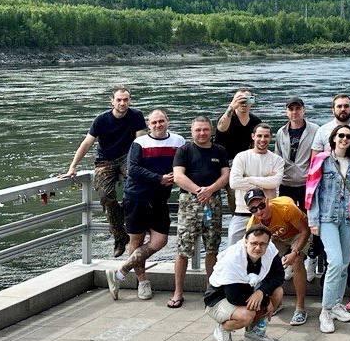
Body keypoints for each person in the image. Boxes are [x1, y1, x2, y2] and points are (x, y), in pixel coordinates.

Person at [107, 109, 185, 300]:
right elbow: (132, 169)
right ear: (149, 125)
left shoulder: (179, 141)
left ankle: (122, 269)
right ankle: (143, 282)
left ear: (168, 121)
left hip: (160, 200)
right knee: (136, 241)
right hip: (136, 198)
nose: (158, 125)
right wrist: (159, 178)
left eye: (161, 121)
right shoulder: (139, 143)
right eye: (154, 122)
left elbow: (184, 164)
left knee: (160, 241)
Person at [306, 124, 350, 333]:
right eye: (341, 136)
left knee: (344, 264)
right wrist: (313, 220)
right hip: (327, 219)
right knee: (334, 262)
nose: (344, 139)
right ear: (334, 138)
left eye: (348, 137)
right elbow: (312, 191)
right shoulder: (322, 161)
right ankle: (325, 310)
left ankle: (336, 304)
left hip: (348, 219)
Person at [63, 87, 145, 256]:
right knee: (106, 196)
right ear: (112, 101)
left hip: (127, 157)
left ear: (130, 100)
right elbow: (86, 143)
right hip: (105, 160)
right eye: (119, 100)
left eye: (126, 100)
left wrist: (140, 164)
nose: (122, 103)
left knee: (137, 185)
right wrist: (72, 167)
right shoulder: (101, 120)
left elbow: (141, 141)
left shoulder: (136, 115)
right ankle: (119, 235)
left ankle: (134, 225)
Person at [169, 116, 230, 308]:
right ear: (192, 131)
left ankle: (211, 290)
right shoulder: (184, 150)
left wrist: (210, 190)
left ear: (211, 130)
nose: (202, 133)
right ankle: (178, 292)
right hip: (190, 201)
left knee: (212, 247)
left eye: (205, 129)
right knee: (183, 249)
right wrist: (198, 190)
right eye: (198, 130)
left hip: (213, 201)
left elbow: (225, 175)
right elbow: (178, 176)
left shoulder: (219, 150)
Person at [204, 225, 284, 341]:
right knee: (247, 315)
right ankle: (223, 329)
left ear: (268, 244)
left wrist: (262, 292)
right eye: (254, 243)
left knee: (278, 291)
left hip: (248, 292)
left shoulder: (271, 251)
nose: (258, 248)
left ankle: (253, 333)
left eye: (263, 244)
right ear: (246, 242)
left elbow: (279, 276)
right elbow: (234, 298)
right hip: (219, 299)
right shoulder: (233, 259)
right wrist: (265, 301)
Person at [245, 188, 311, 325]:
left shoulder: (286, 208)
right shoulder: (253, 223)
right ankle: (275, 301)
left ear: (267, 200)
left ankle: (300, 308)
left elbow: (305, 230)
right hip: (276, 238)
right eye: (253, 209)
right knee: (264, 260)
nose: (259, 211)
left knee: (297, 261)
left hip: (297, 233)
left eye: (262, 206)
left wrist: (295, 252)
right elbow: (250, 247)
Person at [228, 125, 285, 244]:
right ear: (253, 137)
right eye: (259, 136)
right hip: (242, 211)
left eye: (266, 136)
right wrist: (266, 182)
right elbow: (234, 183)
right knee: (232, 249)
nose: (262, 139)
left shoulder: (277, 160)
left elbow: (276, 182)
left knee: (267, 252)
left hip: (267, 213)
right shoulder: (241, 157)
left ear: (270, 138)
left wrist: (248, 178)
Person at [214, 89, 261, 209]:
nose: (243, 102)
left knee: (240, 194)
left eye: (247, 99)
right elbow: (221, 128)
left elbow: (255, 144)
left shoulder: (255, 121)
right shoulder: (227, 117)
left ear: (252, 101)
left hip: (243, 162)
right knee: (226, 193)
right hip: (222, 162)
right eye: (239, 99)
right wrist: (231, 107)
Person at [275, 96, 317, 209]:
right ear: (286, 112)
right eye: (291, 109)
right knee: (285, 217)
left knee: (307, 216)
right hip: (285, 183)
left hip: (306, 183)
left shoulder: (315, 130)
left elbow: (318, 158)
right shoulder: (281, 132)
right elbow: (277, 157)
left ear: (304, 110)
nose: (294, 112)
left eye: (298, 108)